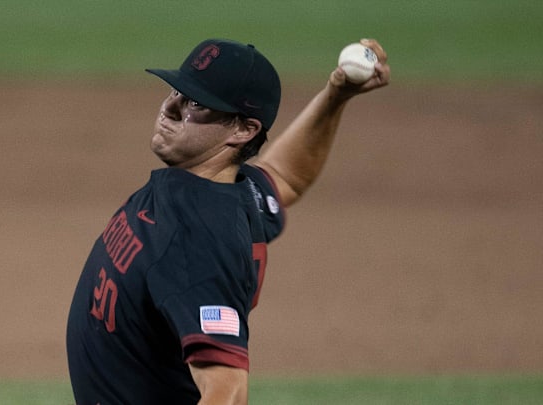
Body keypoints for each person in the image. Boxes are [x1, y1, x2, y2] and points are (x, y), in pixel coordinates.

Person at [66, 38, 390, 404]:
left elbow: (229, 390)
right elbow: (285, 177)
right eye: (176, 90)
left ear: (243, 130)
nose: (170, 107)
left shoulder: (199, 240)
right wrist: (336, 96)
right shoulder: (227, 190)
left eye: (197, 104)